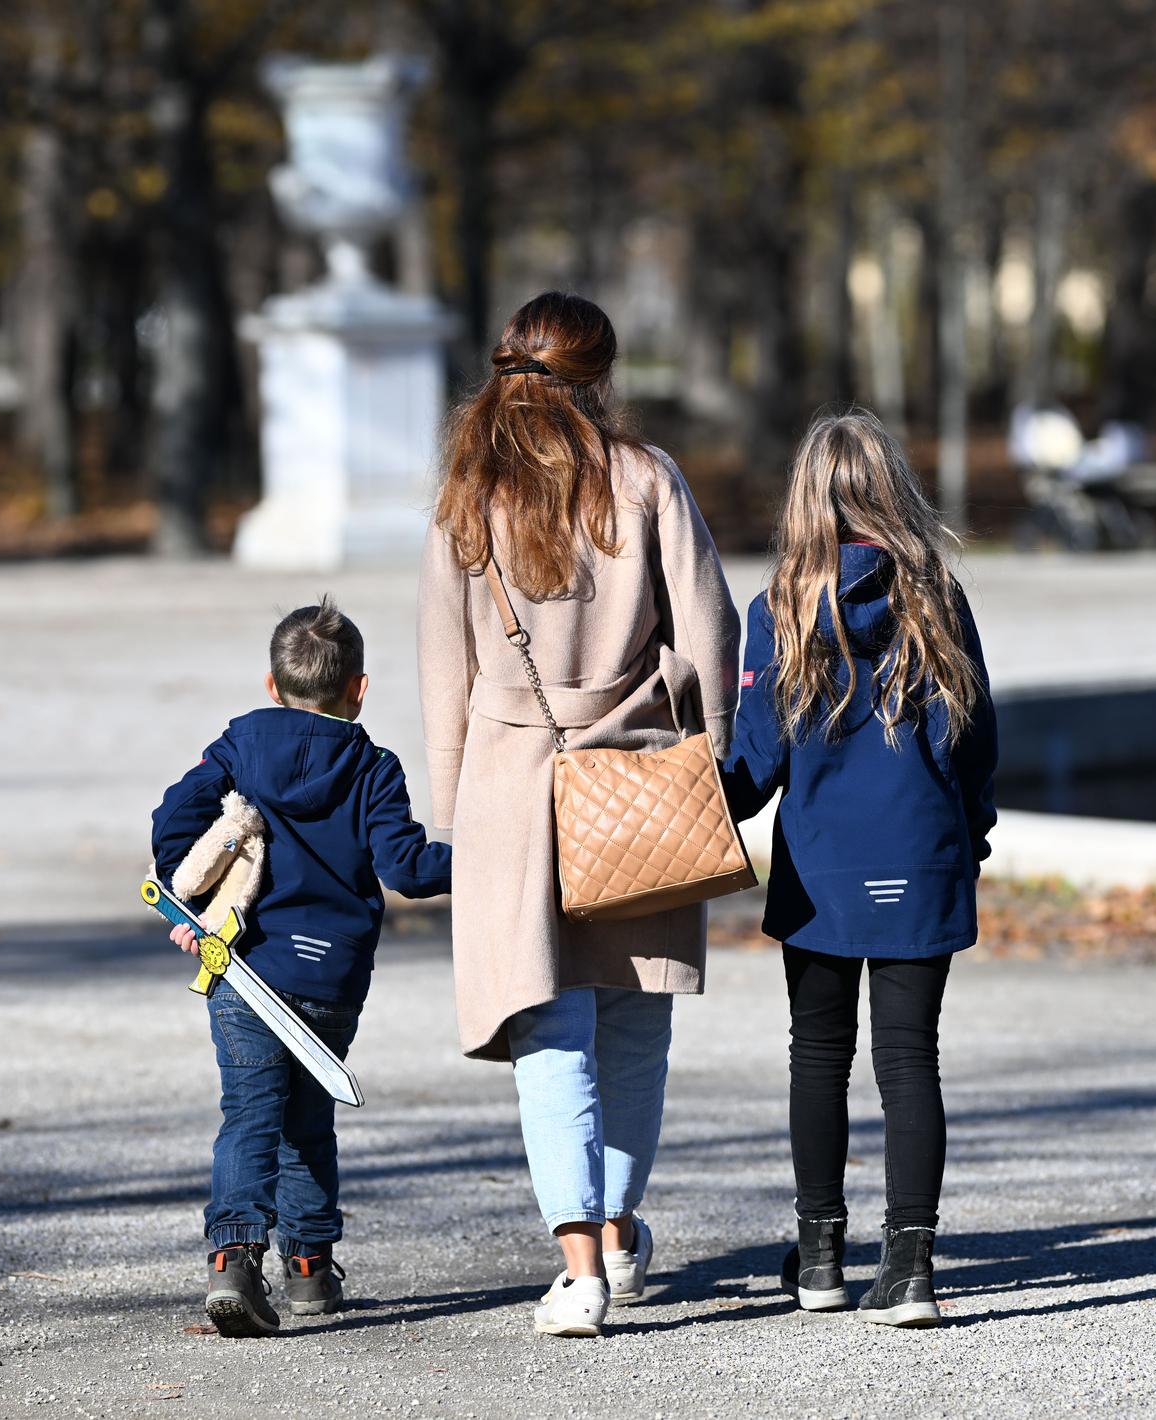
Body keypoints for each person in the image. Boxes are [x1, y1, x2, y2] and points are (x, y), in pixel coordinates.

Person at [418, 291, 739, 1338]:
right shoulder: (646, 479)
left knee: (548, 1027)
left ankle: (580, 1266)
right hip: (638, 780)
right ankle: (617, 1228)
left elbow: (443, 662)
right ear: (597, 376)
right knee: (634, 1015)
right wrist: (713, 750)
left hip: (512, 787)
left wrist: (452, 803)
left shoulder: (470, 495)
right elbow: (711, 626)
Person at [721, 408, 998, 1328]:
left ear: (806, 500)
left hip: (822, 870)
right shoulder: (939, 599)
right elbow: (976, 746)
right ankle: (912, 1265)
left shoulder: (781, 612)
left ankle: (821, 1259)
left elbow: (755, 767)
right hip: (923, 855)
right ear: (895, 491)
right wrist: (974, 839)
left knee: (819, 1058)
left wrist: (678, 799)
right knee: (911, 1060)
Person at [152, 597, 452, 1336]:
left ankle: (233, 1258)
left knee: (250, 1115)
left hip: (244, 964)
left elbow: (173, 822)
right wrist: (489, 853)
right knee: (308, 1119)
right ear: (359, 688)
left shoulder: (240, 745)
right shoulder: (374, 767)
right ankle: (311, 1269)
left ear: (270, 682)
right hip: (329, 979)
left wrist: (189, 907)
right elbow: (407, 868)